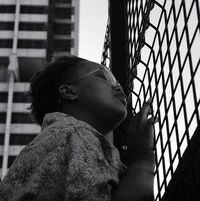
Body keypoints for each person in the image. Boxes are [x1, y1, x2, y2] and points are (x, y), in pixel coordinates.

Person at [0, 55, 156, 201]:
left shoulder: (64, 136)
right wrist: (142, 159)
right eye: (106, 76)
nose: (118, 87)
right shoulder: (73, 133)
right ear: (68, 92)